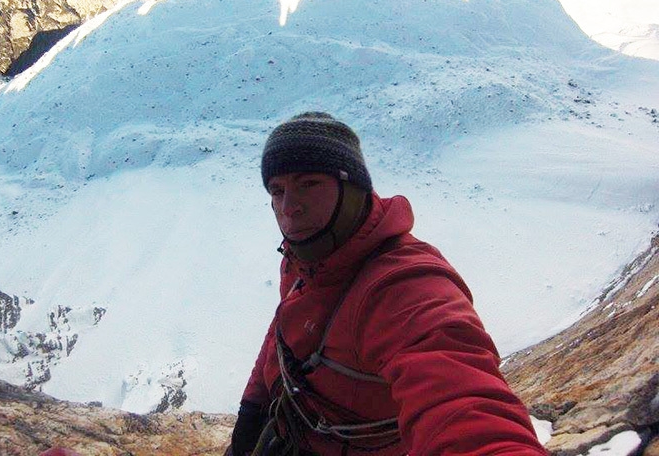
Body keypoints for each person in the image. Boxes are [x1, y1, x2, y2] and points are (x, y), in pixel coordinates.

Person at [227, 112, 547, 456]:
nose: (289, 208)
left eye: (309, 184)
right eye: (277, 190)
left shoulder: (405, 285)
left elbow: (463, 406)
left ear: (352, 189)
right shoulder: (305, 259)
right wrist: (252, 408)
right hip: (288, 432)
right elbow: (282, 329)